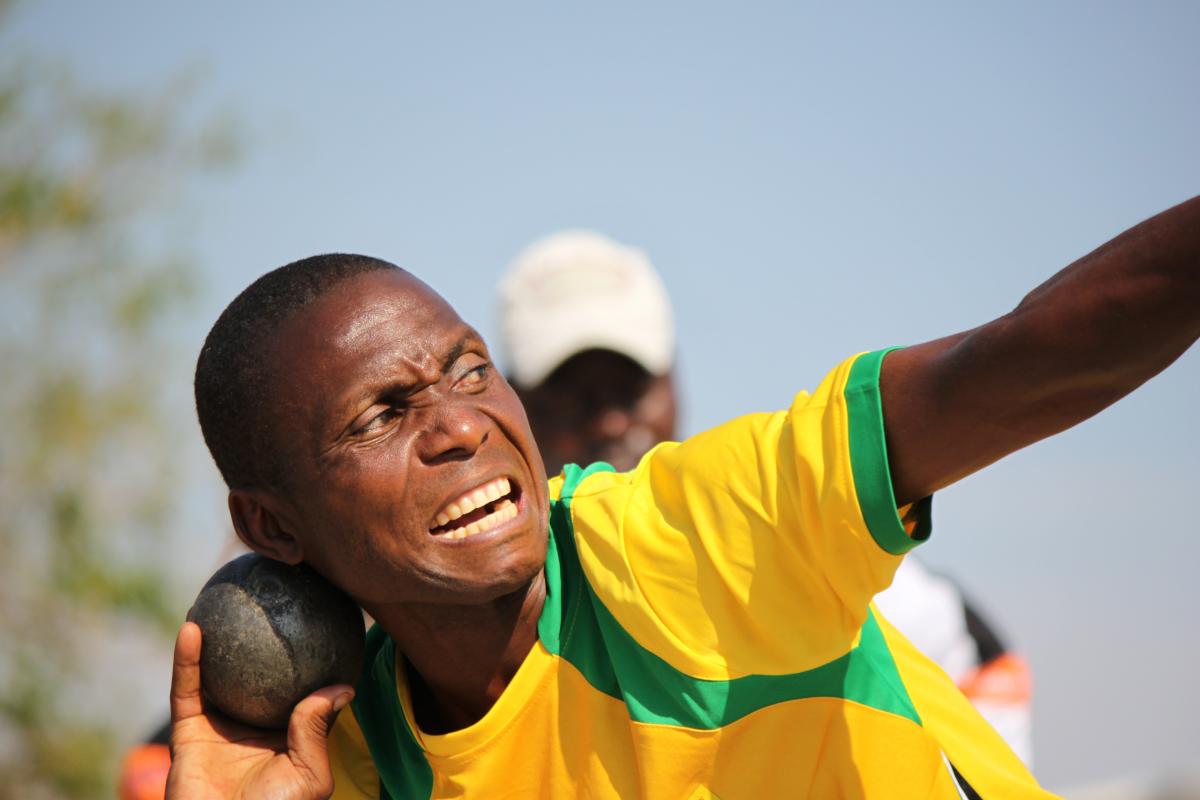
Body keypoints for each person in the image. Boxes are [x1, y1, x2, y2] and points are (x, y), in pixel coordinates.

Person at [168, 195, 1199, 799]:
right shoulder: (346, 758)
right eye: (382, 416)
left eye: (470, 371)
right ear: (271, 525)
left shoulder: (689, 535)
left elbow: (1016, 364)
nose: (461, 427)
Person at [496, 229, 1036, 766]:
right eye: (574, 396)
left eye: (630, 387)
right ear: (510, 402)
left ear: (672, 382)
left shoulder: (796, 550)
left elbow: (980, 665)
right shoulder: (482, 624)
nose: (611, 421)